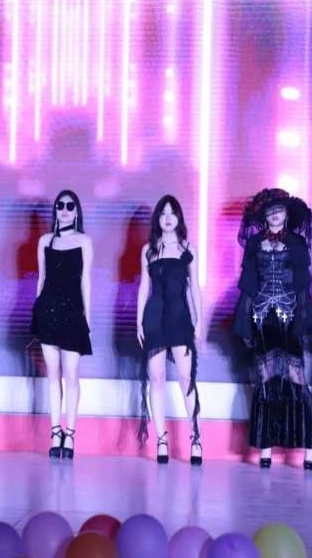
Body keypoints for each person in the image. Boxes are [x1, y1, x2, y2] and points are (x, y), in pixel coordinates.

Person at [232, 188, 312, 469]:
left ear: (287, 212)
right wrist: (245, 324)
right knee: (265, 381)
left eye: (279, 209)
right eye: (269, 210)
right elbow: (248, 285)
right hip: (261, 319)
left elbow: (303, 286)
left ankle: (309, 449)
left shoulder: (297, 243)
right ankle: (266, 448)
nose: (274, 214)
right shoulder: (254, 243)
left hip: (290, 317)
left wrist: (303, 321)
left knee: (296, 379)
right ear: (263, 215)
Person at [136, 195, 203, 464]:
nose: (167, 218)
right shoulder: (149, 250)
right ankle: (161, 440)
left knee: (186, 378)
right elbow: (144, 287)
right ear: (157, 218)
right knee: (157, 377)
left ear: (179, 218)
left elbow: (194, 288)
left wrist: (199, 321)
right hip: (154, 316)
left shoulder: (188, 249)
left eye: (172, 213)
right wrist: (138, 321)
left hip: (179, 316)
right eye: (163, 213)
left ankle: (195, 438)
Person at [31, 190, 93, 459]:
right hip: (48, 311)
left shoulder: (84, 241)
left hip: (73, 314)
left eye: (70, 205)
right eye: (60, 205)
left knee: (71, 375)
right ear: (55, 210)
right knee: (53, 375)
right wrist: (37, 312)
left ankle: (71, 434)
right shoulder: (45, 241)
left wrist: (87, 317)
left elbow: (85, 281)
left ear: (77, 211)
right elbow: (41, 278)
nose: (65, 210)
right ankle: (56, 432)